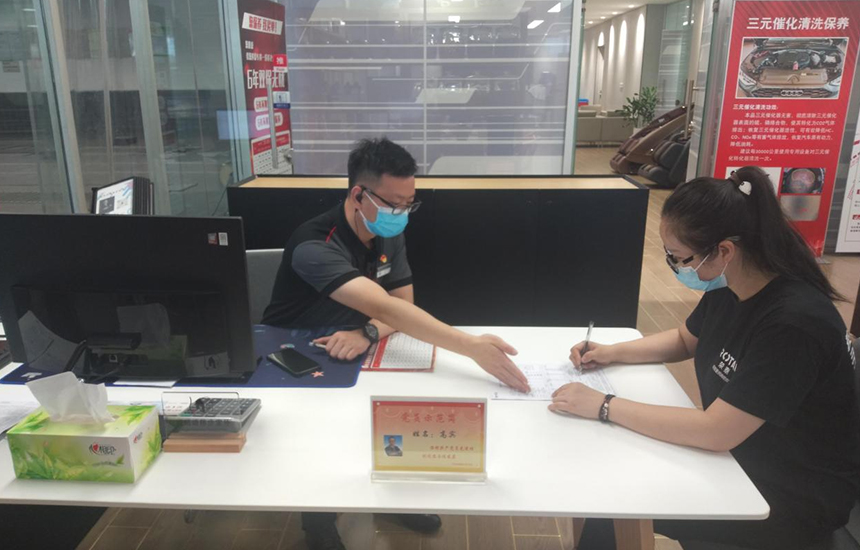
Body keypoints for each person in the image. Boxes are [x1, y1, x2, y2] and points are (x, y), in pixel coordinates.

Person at [553, 166, 860, 550]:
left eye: (680, 257)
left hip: (788, 497)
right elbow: (685, 339)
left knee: (612, 499)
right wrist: (611, 352)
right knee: (607, 484)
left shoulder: (794, 324)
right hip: (740, 453)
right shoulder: (733, 283)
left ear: (725, 251)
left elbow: (716, 432)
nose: (677, 267)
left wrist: (604, 405)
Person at [263, 137, 529, 550]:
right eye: (393, 204)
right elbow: (389, 308)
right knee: (322, 433)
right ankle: (318, 519)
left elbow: (402, 304)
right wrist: (470, 346)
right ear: (358, 194)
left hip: (356, 340)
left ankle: (391, 493)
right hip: (298, 349)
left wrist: (367, 332)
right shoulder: (314, 245)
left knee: (398, 407)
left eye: (409, 204)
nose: (401, 214)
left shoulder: (386, 231)